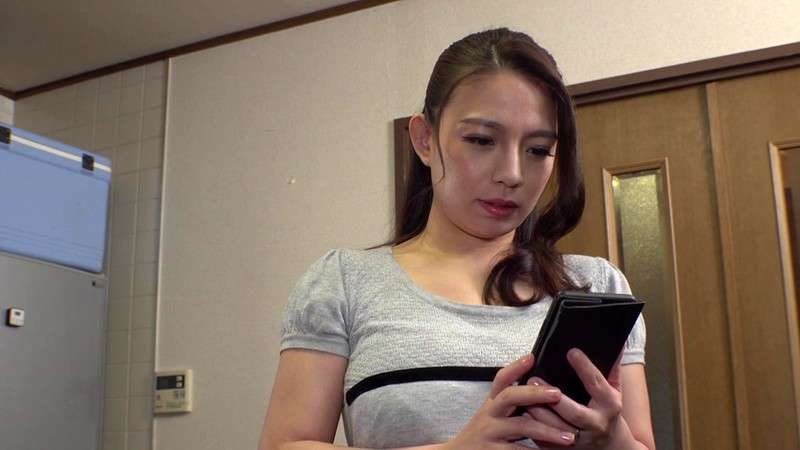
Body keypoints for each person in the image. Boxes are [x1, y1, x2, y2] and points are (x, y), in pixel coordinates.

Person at [258, 28, 656, 449]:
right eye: (482, 140)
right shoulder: (344, 283)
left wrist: (611, 439)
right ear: (424, 140)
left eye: (538, 150)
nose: (512, 174)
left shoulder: (598, 286)